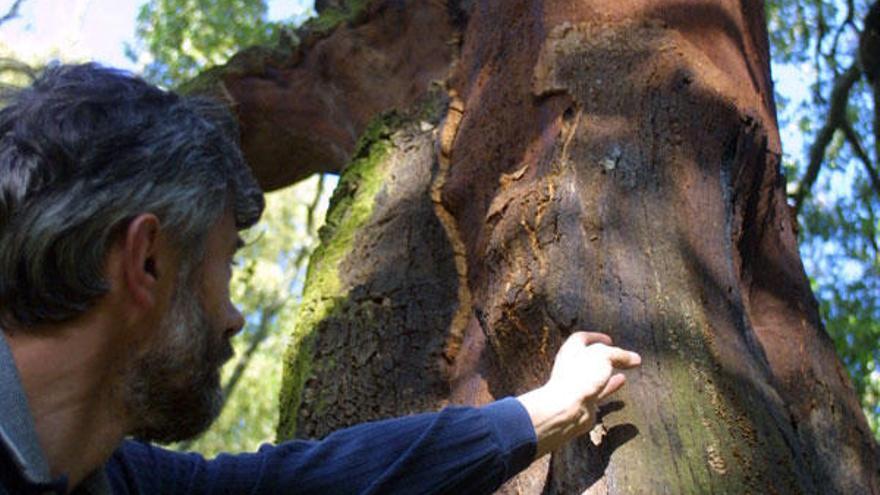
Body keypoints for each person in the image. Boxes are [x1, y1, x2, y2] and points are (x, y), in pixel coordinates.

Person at [0, 63, 641, 495]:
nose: (233, 317)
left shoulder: (107, 476)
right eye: (225, 267)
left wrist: (541, 412)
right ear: (146, 262)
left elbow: (301, 483)